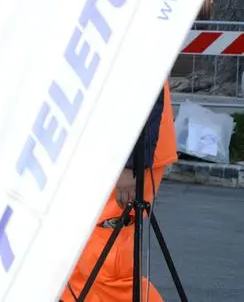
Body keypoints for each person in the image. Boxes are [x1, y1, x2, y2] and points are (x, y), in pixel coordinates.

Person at [61, 81, 177, 302]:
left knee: (106, 268)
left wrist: (131, 165)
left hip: (125, 158)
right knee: (74, 267)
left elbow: (146, 82)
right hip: (97, 155)